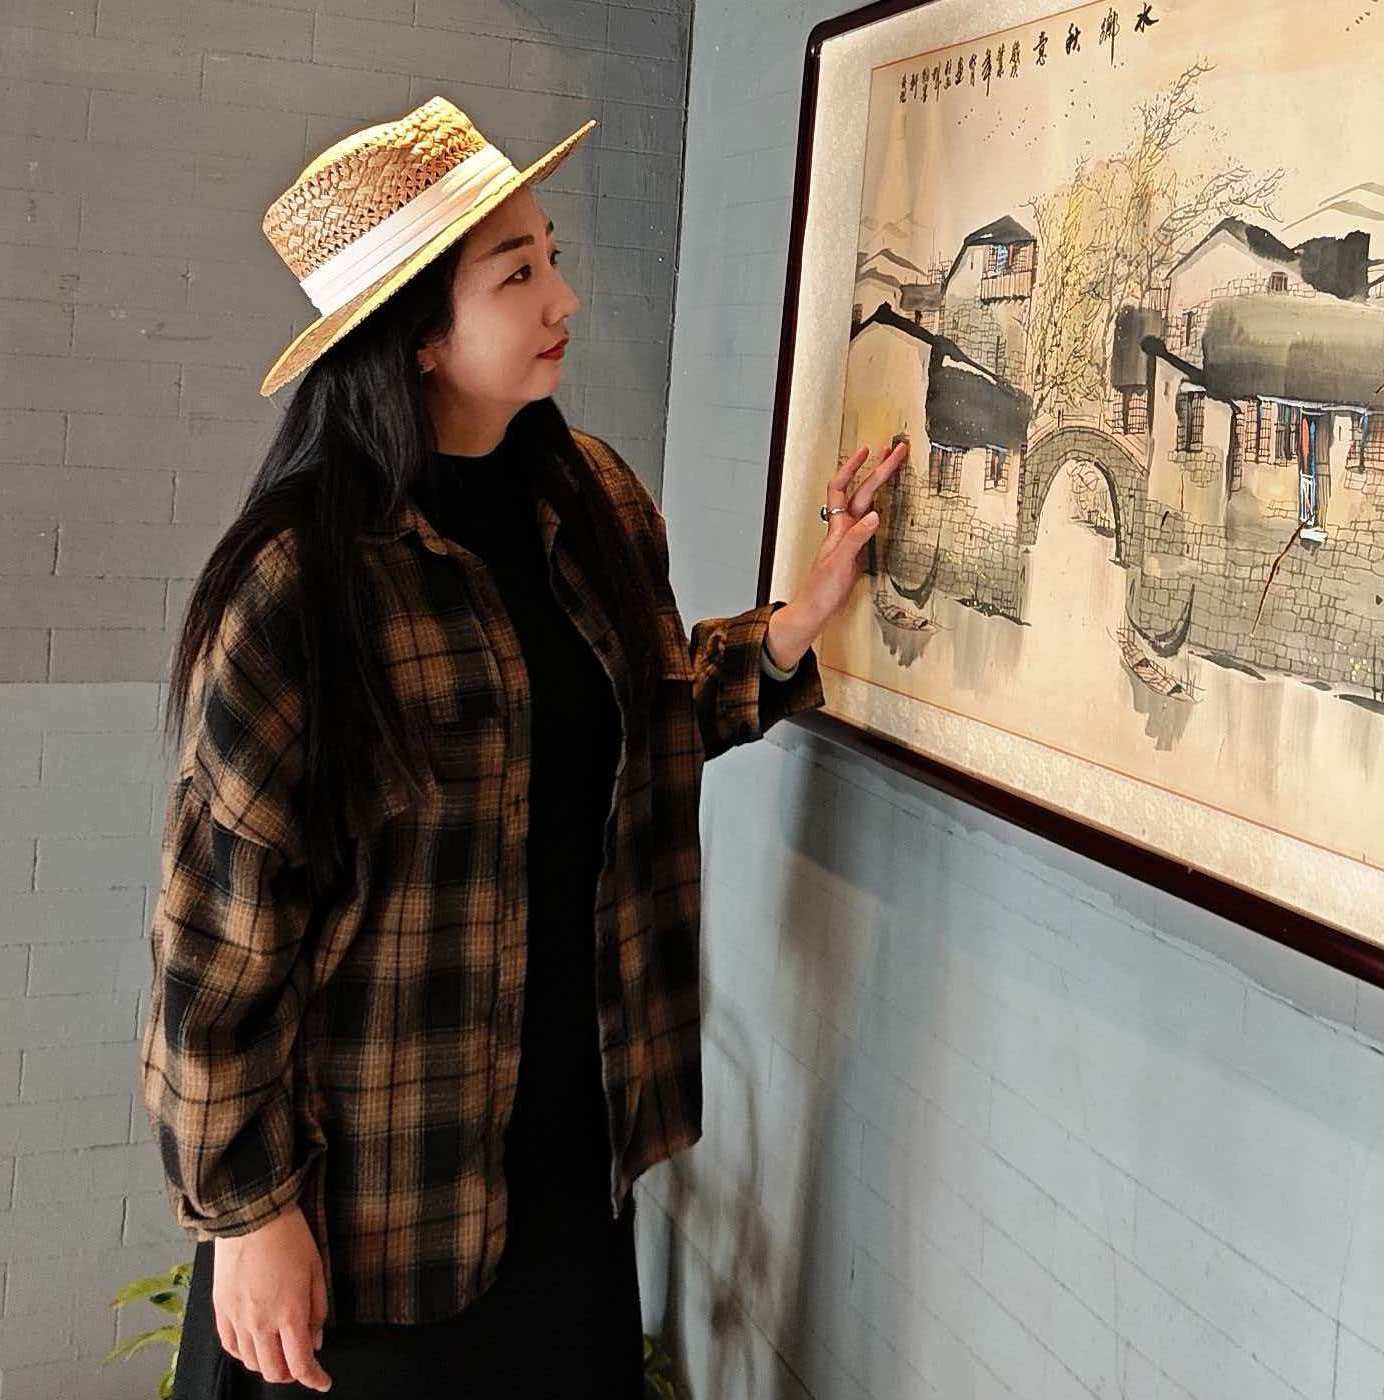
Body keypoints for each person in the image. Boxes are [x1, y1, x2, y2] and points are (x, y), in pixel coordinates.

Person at [138, 97, 900, 1395]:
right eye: (517, 273)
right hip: (378, 1205)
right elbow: (214, 939)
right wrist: (246, 1214)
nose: (564, 296)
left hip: (568, 1168)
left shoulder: (594, 499)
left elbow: (631, 732)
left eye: (550, 255)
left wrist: (791, 628)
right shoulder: (302, 586)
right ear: (417, 336)